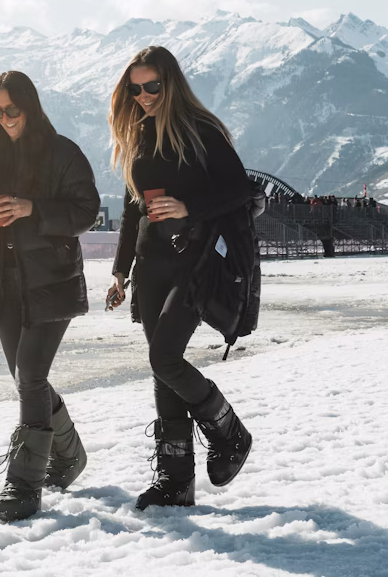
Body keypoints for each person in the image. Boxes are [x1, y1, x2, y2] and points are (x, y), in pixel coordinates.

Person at [105, 47, 255, 512]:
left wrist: (190, 207)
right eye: (135, 88)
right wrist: (119, 271)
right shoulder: (139, 135)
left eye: (152, 86)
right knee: (159, 366)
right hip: (151, 263)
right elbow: (134, 210)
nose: (144, 95)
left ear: (171, 83)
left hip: (196, 261)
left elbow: (242, 190)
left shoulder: (201, 130)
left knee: (164, 358)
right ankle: (175, 482)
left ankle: (228, 428)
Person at [0, 70, 99, 523]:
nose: (4, 118)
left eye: (12, 109)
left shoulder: (62, 152)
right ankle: (69, 456)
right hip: (4, 287)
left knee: (31, 375)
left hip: (51, 283)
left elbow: (87, 210)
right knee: (26, 379)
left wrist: (35, 210)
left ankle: (24, 485)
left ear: (29, 106)